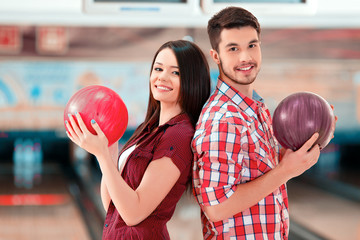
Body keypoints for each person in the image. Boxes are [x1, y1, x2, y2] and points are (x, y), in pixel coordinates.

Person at [192, 7, 331, 239]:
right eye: (233, 48)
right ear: (216, 56)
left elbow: (262, 170)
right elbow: (216, 208)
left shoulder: (256, 109)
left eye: (252, 45)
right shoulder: (224, 120)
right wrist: (285, 171)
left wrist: (319, 133)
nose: (245, 57)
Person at [65, 40, 211, 239]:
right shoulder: (148, 130)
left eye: (175, 72)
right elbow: (113, 207)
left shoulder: (178, 136)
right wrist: (109, 151)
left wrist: (101, 156)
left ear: (192, 80)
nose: (162, 77)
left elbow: (133, 214)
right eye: (158, 69)